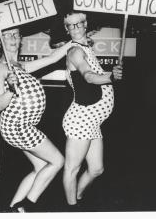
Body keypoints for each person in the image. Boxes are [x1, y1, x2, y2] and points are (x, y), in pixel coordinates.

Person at [0, 27, 70, 212]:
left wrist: (74, 42)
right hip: (17, 126)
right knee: (58, 161)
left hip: (24, 126)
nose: (12, 38)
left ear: (20, 39)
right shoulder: (0, 67)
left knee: (40, 167)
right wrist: (10, 89)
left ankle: (13, 210)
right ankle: (26, 205)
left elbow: (52, 58)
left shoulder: (19, 65)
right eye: (7, 35)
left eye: (16, 34)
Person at [62, 12, 123, 209]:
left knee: (96, 169)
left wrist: (110, 75)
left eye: (78, 23)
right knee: (72, 169)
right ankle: (71, 209)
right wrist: (110, 77)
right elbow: (88, 76)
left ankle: (77, 196)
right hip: (81, 120)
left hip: (93, 122)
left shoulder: (86, 48)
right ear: (67, 29)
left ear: (85, 24)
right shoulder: (75, 52)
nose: (75, 28)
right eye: (70, 26)